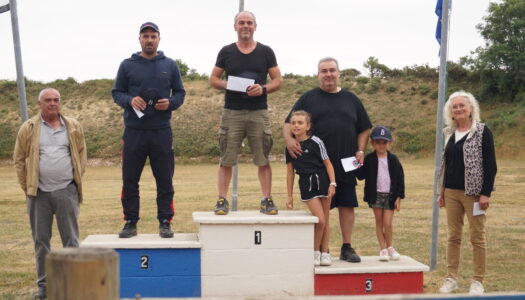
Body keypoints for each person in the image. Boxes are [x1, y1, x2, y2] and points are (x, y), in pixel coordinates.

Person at [284, 57, 372, 263]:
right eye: (324, 71)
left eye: (332, 70)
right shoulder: (308, 98)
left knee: (347, 204)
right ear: (318, 74)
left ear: (339, 73)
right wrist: (289, 140)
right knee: (324, 211)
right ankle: (322, 251)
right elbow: (288, 123)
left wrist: (360, 150)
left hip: (347, 160)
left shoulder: (352, 99)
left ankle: (347, 247)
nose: (328, 74)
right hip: (318, 165)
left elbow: (365, 128)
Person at [112, 22, 186, 238]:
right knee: (129, 179)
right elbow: (117, 92)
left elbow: (180, 93)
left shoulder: (170, 65)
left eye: (153, 36)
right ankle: (130, 221)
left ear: (159, 39)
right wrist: (130, 100)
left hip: (161, 131)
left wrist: (170, 103)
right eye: (145, 36)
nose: (149, 40)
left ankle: (165, 221)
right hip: (134, 131)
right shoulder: (127, 65)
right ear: (139, 39)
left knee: (164, 179)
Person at [13, 88, 87, 300]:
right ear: (39, 104)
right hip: (39, 194)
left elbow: (81, 154)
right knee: (41, 242)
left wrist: (75, 180)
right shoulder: (28, 128)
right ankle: (45, 288)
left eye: (56, 100)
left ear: (60, 102)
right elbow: (19, 160)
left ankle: (73, 286)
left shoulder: (72, 126)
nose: (52, 103)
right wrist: (28, 187)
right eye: (48, 100)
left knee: (71, 241)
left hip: (66, 191)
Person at [210, 11, 283, 215]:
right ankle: (222, 200)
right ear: (235, 27)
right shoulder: (226, 51)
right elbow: (213, 79)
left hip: (258, 112)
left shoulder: (266, 51)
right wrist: (229, 84)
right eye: (241, 23)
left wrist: (264, 88)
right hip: (232, 112)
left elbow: (278, 80)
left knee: (263, 158)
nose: (245, 26)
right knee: (226, 159)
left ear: (255, 26)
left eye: (249, 23)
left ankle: (266, 200)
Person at [437, 91, 497, 295]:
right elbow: (446, 165)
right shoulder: (449, 134)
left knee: (477, 237)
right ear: (451, 112)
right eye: (455, 107)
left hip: (474, 194)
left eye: (462, 105)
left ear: (471, 108)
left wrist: (485, 193)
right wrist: (442, 192)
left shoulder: (482, 131)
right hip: (452, 193)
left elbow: (490, 165)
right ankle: (451, 278)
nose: (459, 109)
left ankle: (478, 281)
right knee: (453, 236)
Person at [285, 111, 336, 266]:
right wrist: (289, 195)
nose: (296, 125)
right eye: (293, 123)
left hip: (323, 182)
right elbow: (289, 172)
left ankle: (325, 252)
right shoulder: (290, 147)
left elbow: (328, 163)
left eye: (300, 123)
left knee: (325, 220)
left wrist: (333, 183)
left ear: (308, 126)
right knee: (319, 220)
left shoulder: (316, 142)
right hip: (307, 184)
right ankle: (315, 251)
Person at [355, 125, 405, 261]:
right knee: (379, 222)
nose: (381, 145)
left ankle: (390, 247)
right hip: (375, 195)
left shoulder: (394, 160)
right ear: (372, 143)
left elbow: (400, 179)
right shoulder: (369, 159)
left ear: (389, 143)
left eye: (384, 142)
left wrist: (399, 197)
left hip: (390, 195)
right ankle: (382, 249)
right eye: (378, 142)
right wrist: (357, 160)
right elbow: (360, 175)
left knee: (388, 223)